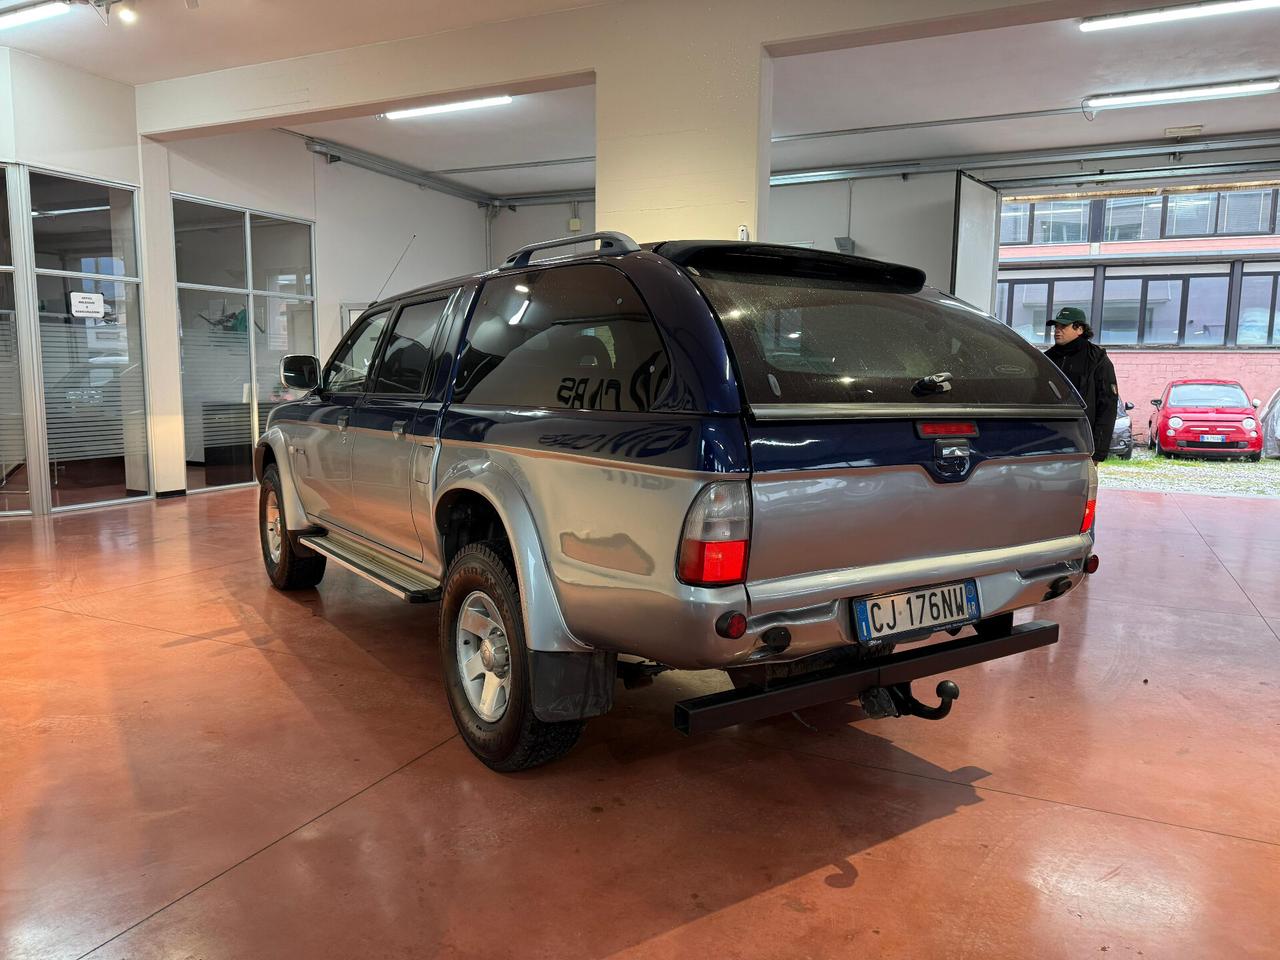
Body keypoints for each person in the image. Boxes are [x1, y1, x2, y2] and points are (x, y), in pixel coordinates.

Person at [1044, 307, 1118, 463]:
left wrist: (1097, 451)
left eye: (1063, 326)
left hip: (1082, 445)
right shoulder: (1047, 358)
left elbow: (1107, 406)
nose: (1057, 331)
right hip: (1047, 443)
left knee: (1079, 487)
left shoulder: (1097, 359)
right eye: (1056, 326)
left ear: (1080, 329)